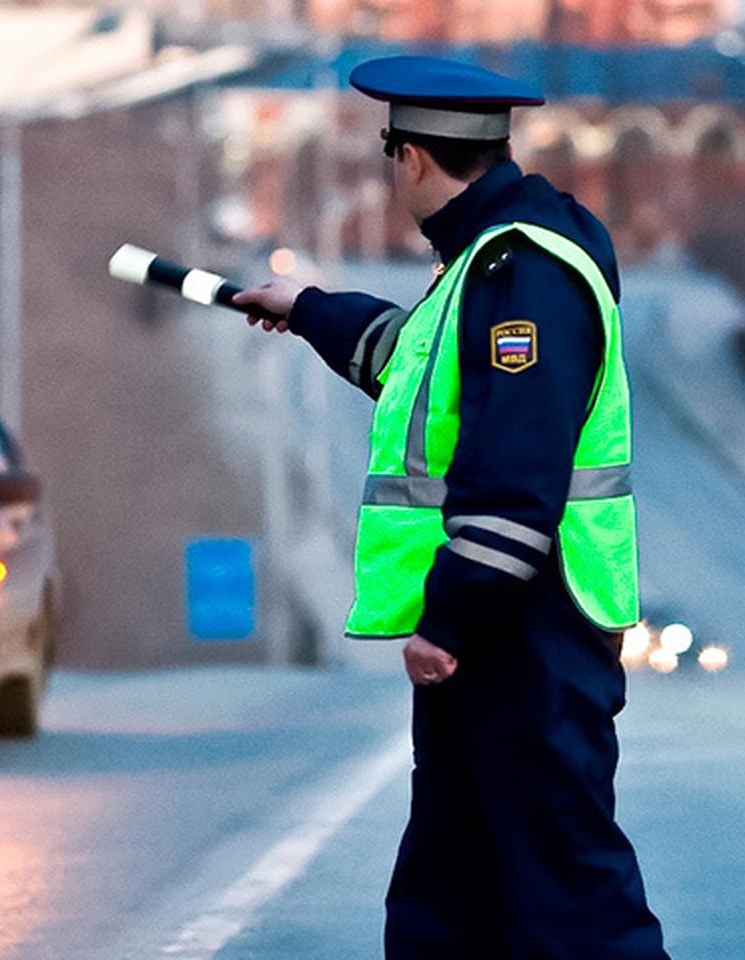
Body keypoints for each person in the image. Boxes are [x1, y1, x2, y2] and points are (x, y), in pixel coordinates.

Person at [235, 56, 669, 960]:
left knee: (570, 902)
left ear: (414, 160)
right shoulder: (487, 262)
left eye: (390, 153)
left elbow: (517, 470)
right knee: (452, 900)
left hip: (527, 634)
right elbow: (410, 364)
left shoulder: (524, 273)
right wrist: (307, 308)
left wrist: (450, 620)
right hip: (501, 643)